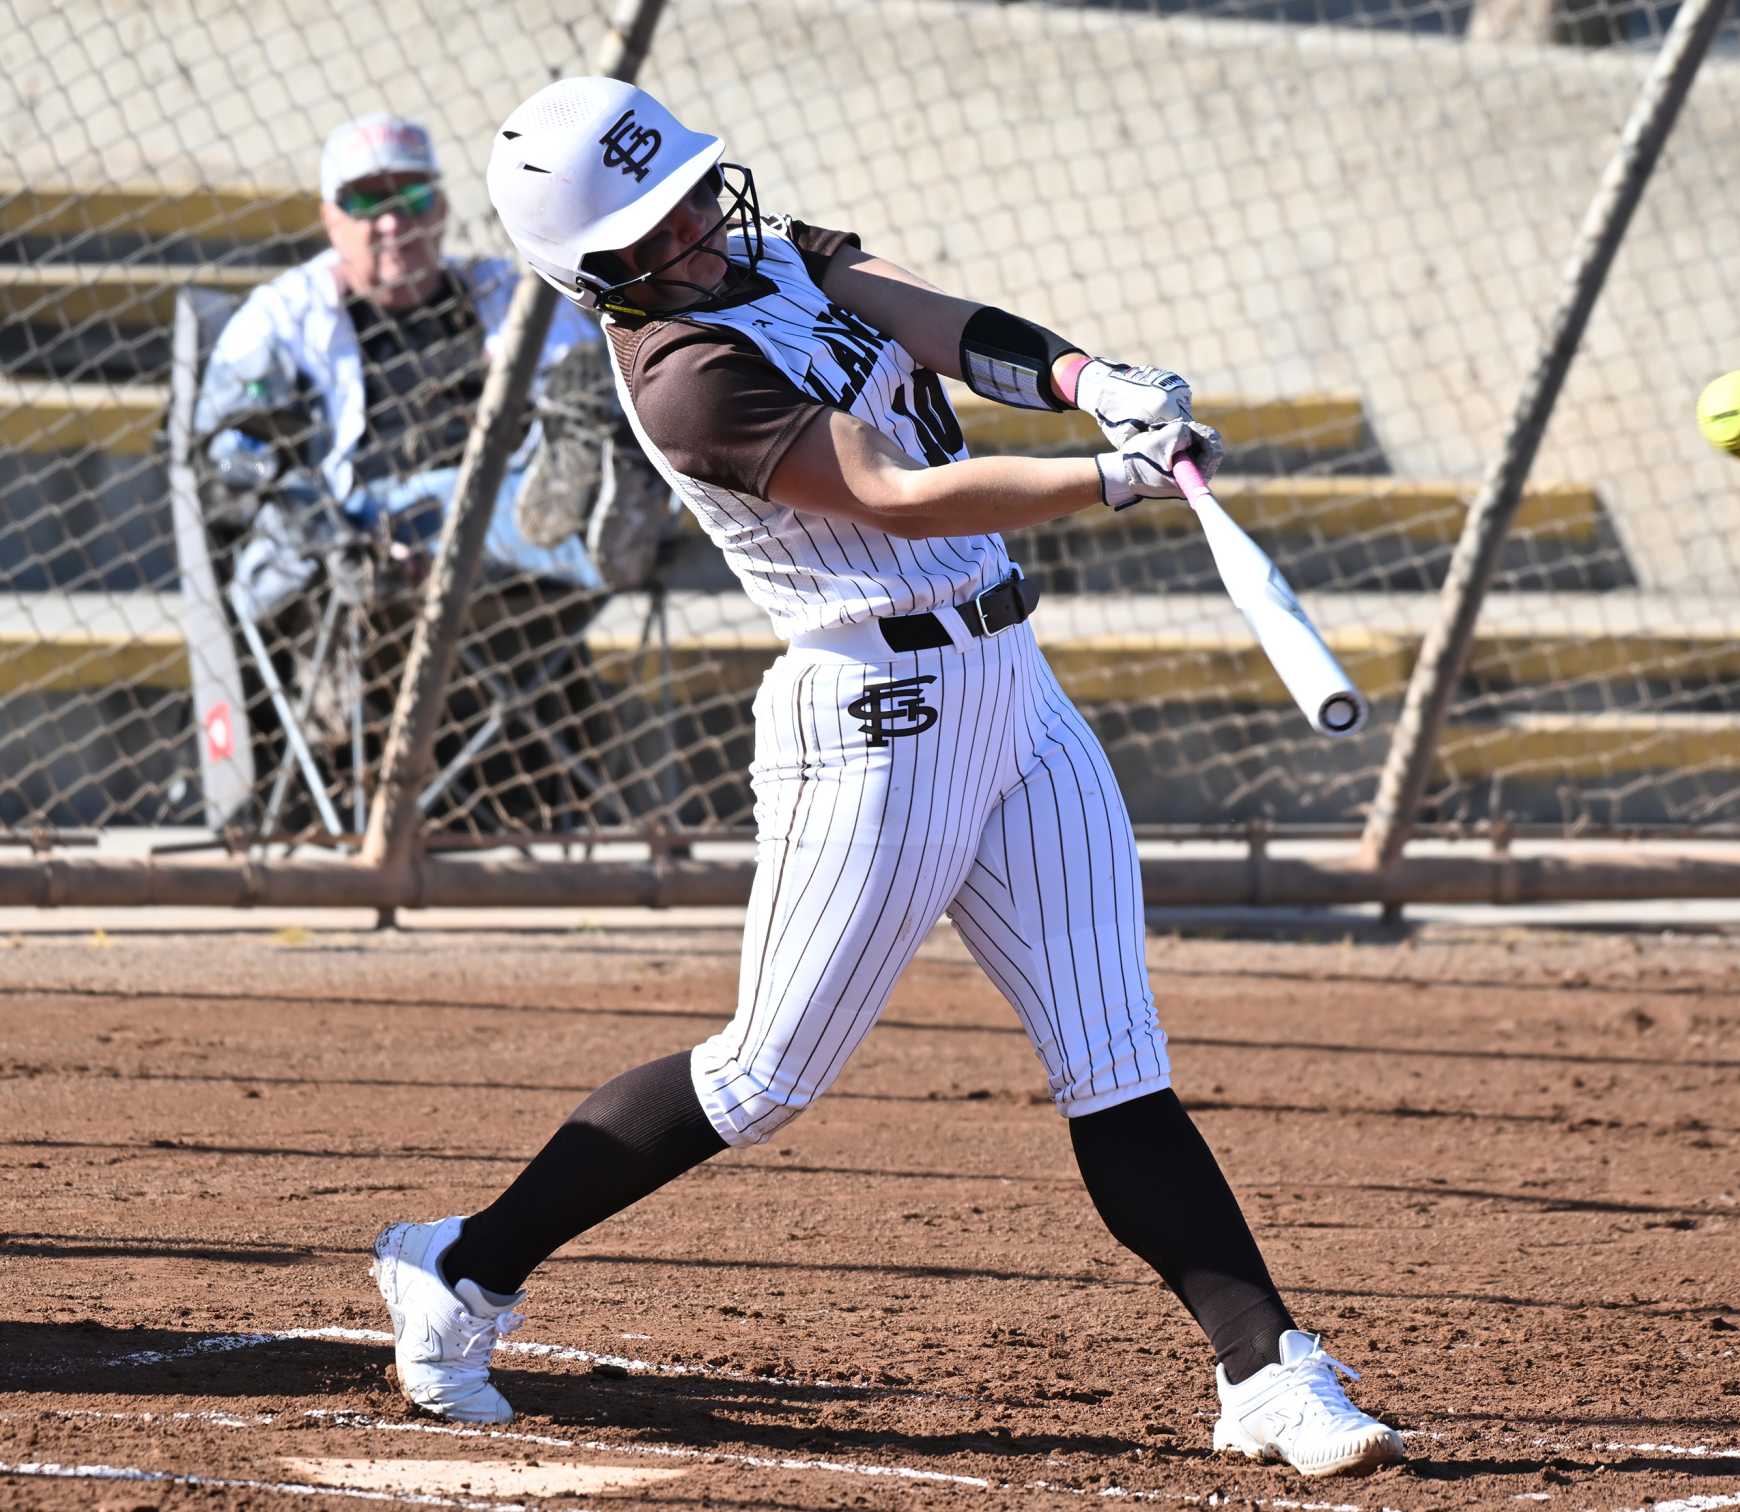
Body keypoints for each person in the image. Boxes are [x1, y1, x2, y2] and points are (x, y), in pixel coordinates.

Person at [367, 77, 1403, 1481]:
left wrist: (1095, 383)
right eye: (653, 229)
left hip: (1011, 686)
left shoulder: (773, 251)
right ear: (596, 274)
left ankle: (1266, 1372)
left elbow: (948, 326)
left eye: (687, 198)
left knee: (1115, 1060)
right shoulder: (684, 376)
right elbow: (896, 494)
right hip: (876, 710)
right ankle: (466, 1270)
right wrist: (1110, 482)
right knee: (763, 1074)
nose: (695, 234)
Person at [190, 111, 667, 828]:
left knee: (564, 434)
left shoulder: (501, 296)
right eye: (365, 204)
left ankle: (592, 510)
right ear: (330, 221)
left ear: (440, 209)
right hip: (355, 538)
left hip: (508, 570)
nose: (392, 223)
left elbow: (584, 392)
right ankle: (600, 535)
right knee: (464, 494)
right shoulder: (283, 317)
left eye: (411, 200)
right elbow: (228, 457)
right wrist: (325, 528)